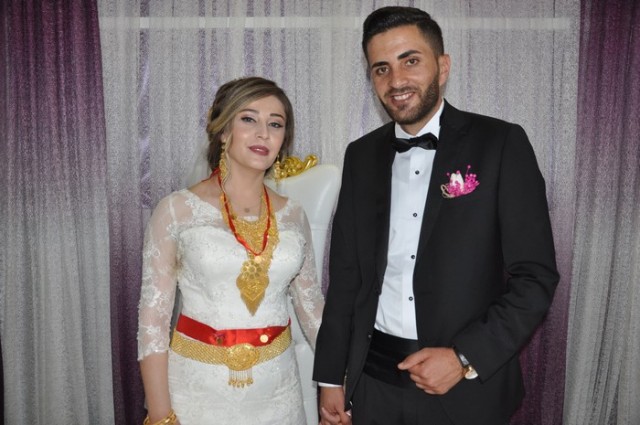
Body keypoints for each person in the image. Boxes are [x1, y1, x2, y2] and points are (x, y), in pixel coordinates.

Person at [313, 6, 559, 425]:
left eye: (410, 61)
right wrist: (330, 376)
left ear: (443, 67)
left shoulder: (500, 143)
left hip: (465, 391)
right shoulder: (360, 156)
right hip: (372, 387)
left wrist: (464, 357)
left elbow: (535, 277)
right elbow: (346, 278)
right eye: (381, 69)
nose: (396, 81)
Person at [137, 76, 324, 425]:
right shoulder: (176, 210)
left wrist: (340, 380)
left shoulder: (294, 215)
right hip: (197, 393)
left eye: (275, 124)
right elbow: (153, 323)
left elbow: (313, 311)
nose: (263, 133)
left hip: (279, 395)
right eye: (249, 119)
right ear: (223, 131)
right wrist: (161, 415)